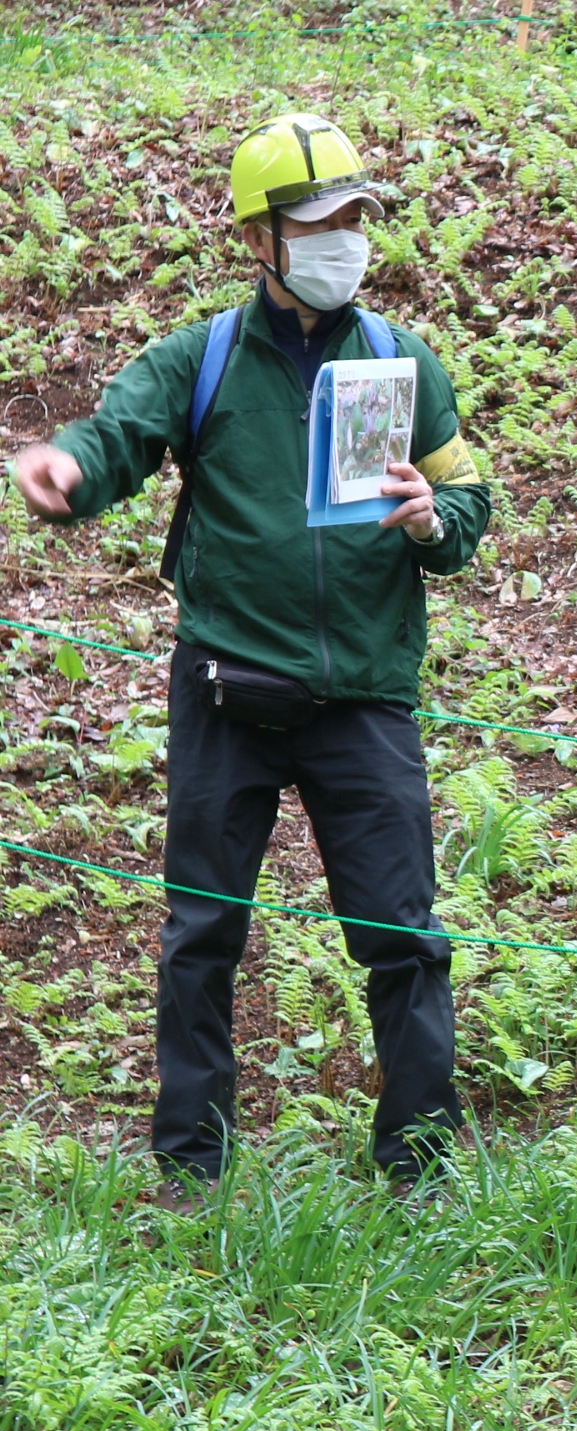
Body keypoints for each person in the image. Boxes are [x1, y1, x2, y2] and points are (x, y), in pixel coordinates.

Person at [9, 113, 490, 1210]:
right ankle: (189, 1166)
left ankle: (420, 1165)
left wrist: (429, 518)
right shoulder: (206, 357)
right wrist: (68, 473)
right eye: (321, 221)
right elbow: (115, 432)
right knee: (201, 932)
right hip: (225, 687)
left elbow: (468, 501)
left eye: (359, 218)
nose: (346, 240)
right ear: (260, 239)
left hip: (363, 698)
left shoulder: (401, 362)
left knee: (402, 938)